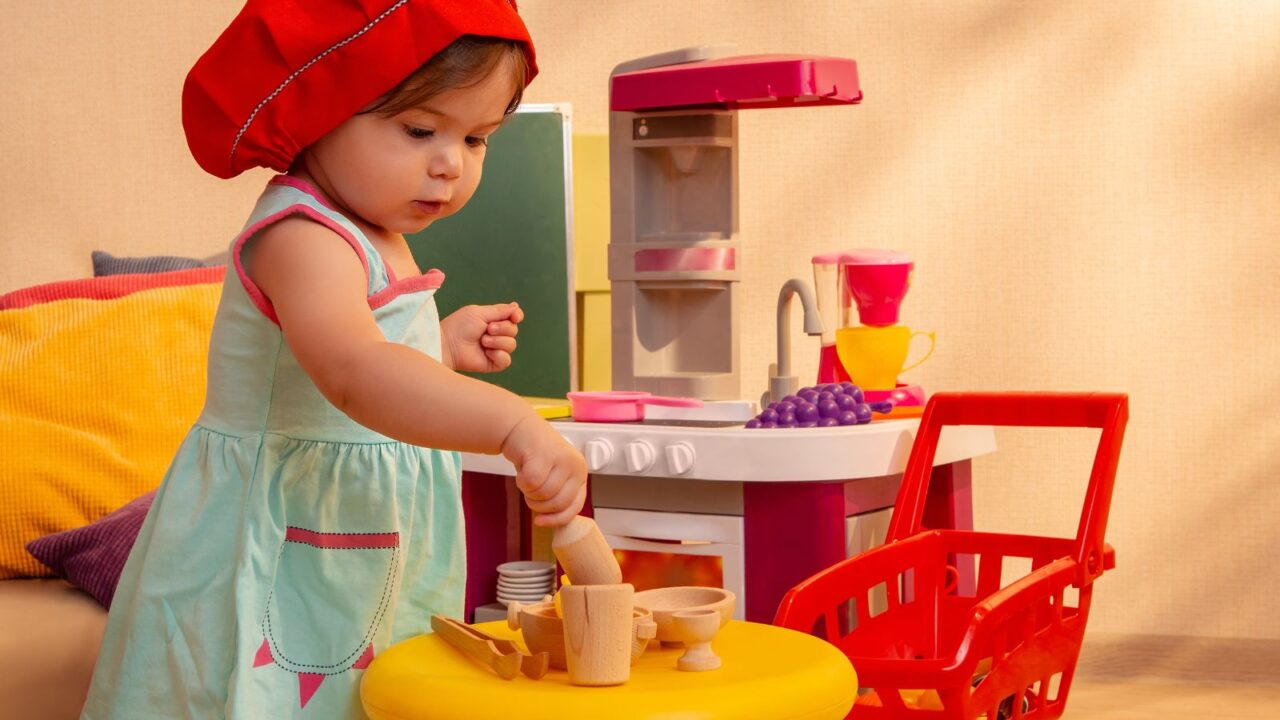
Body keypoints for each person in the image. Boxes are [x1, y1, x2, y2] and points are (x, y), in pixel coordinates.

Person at [81, 2, 586, 717]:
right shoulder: (302, 234)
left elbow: (358, 354)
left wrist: (435, 347)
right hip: (287, 527)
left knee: (364, 695)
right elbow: (351, 371)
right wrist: (509, 424)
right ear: (320, 109)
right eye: (420, 130)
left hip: (355, 526)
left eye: (477, 139)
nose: (451, 164)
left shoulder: (370, 224)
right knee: (269, 696)